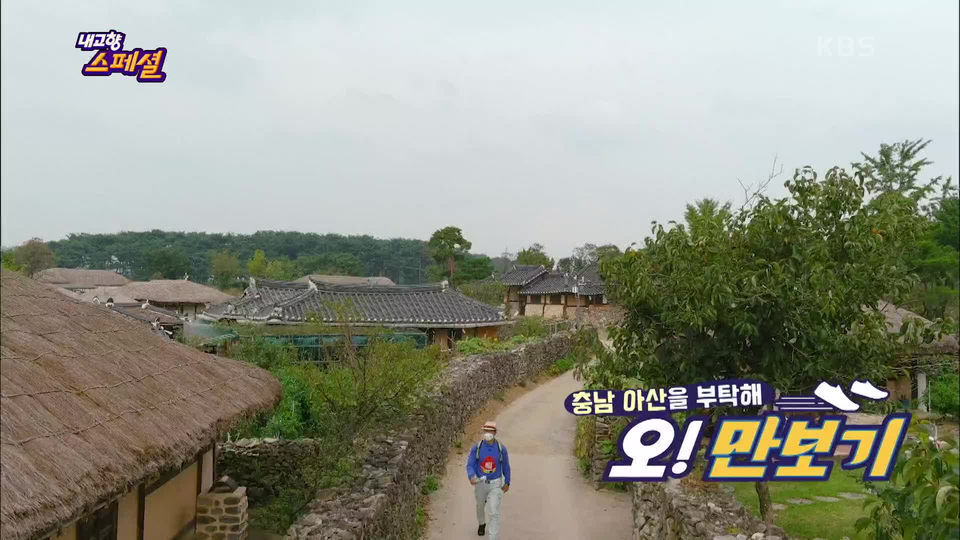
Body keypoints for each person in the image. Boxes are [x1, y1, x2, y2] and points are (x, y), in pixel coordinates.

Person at [465, 420, 511, 538]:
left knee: (493, 511)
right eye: (486, 430)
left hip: (495, 484)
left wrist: (507, 481)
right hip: (480, 483)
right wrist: (471, 476)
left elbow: (506, 466)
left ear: (495, 432)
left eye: (490, 431)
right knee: (480, 506)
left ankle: (493, 537)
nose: (488, 433)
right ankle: (481, 523)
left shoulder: (501, 449)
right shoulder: (477, 448)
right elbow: (470, 464)